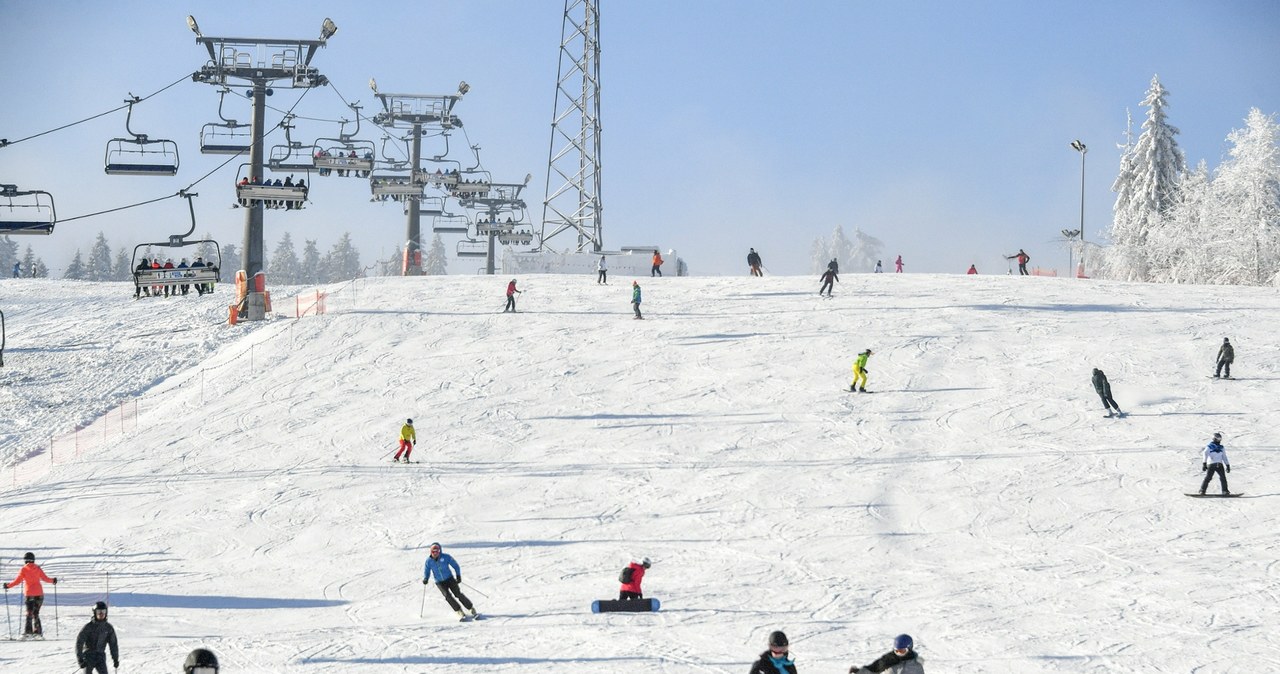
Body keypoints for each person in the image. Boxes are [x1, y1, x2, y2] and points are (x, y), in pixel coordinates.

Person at [3, 551, 57, 638]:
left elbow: (17, 581)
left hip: (29, 594)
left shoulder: (24, 569)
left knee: (29, 613)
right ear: (33, 560)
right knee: (36, 613)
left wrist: (8, 586)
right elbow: (45, 578)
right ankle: (38, 633)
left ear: (25, 560)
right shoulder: (38, 568)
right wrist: (53, 580)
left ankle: (28, 632)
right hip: (39, 595)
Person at [422, 542, 478, 620]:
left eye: (437, 551)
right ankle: (459, 611)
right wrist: (426, 578)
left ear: (440, 551)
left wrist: (458, 575)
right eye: (433, 552)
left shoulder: (446, 557)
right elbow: (427, 571)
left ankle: (471, 609)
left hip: (449, 579)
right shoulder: (428, 561)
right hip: (439, 582)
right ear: (431, 552)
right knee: (447, 596)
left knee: (458, 594)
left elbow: (456, 566)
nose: (435, 553)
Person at [75, 601, 119, 674]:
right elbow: (79, 642)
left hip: (100, 656)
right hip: (88, 657)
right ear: (95, 613)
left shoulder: (108, 628)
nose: (101, 614)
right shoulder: (88, 627)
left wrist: (115, 659)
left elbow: (113, 644)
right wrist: (80, 659)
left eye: (103, 612)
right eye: (99, 612)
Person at [849, 634, 925, 674]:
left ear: (909, 648)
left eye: (902, 651)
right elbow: (873, 669)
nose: (898, 654)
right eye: (896, 651)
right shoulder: (889, 660)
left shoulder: (917, 665)